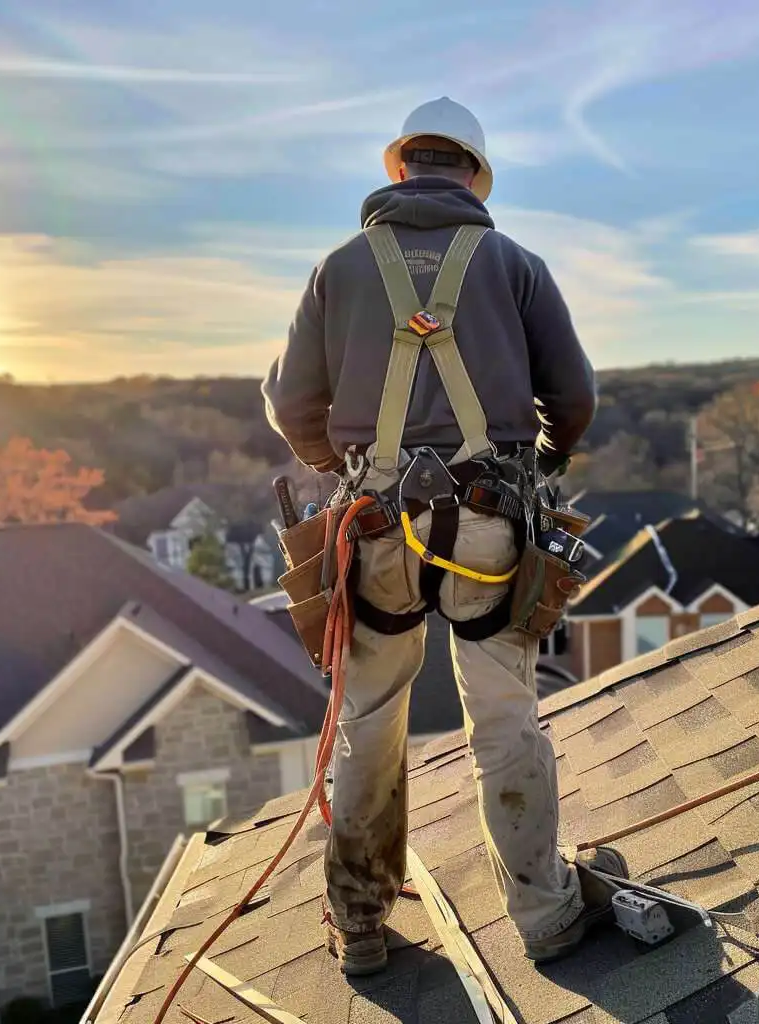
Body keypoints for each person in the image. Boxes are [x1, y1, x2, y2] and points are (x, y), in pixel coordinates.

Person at [261, 96, 629, 976]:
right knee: (504, 715)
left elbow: (286, 404)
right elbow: (572, 397)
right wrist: (547, 459)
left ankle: (359, 925)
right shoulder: (514, 265)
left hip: (377, 526)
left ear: (401, 169)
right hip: (492, 529)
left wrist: (339, 466)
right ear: (472, 173)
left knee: (369, 720)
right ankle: (545, 916)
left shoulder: (336, 269)